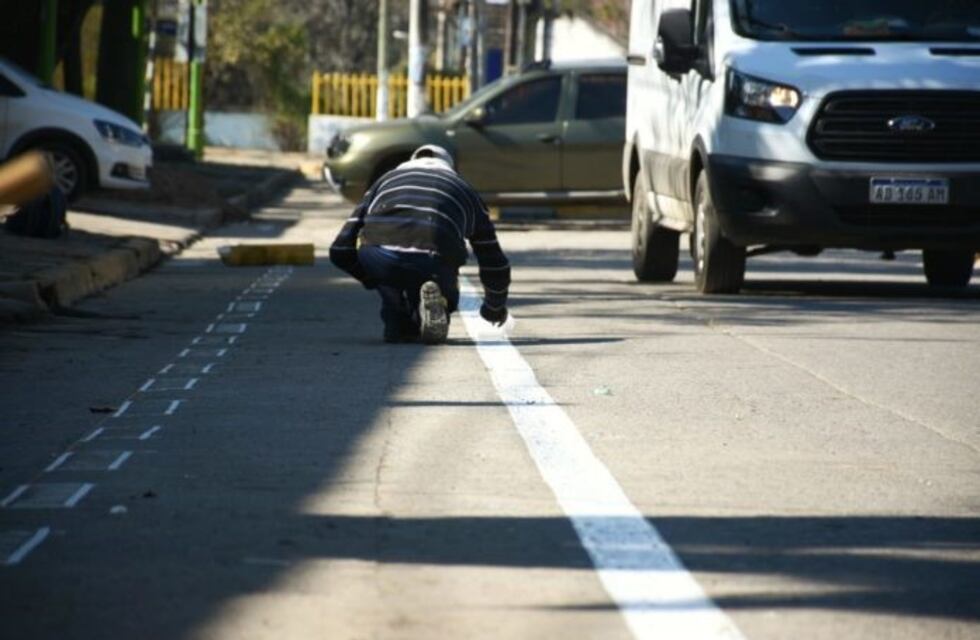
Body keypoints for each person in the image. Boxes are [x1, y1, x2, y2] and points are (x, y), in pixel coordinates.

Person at [329, 145, 510, 344]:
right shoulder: (464, 189)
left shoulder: (385, 181)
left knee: (389, 284)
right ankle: (441, 302)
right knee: (439, 275)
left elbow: (340, 250)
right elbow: (494, 262)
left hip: (381, 256)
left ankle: (397, 319)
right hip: (433, 259)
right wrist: (494, 308)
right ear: (450, 167)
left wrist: (370, 278)